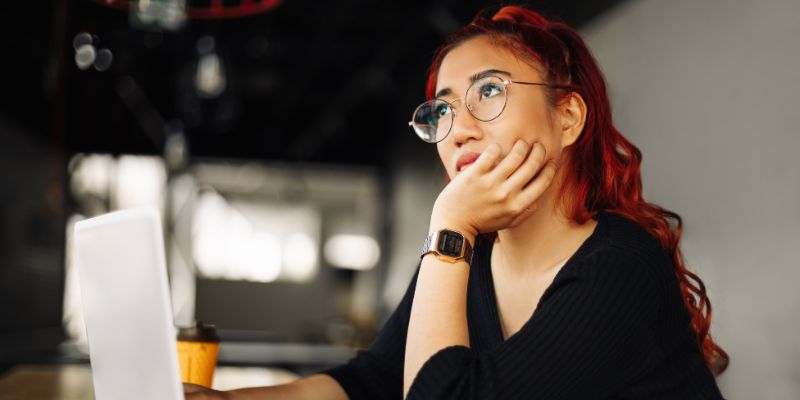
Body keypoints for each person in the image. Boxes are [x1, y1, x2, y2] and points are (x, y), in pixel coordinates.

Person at [185, 5, 728, 399]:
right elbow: (374, 380)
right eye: (442, 111)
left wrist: (449, 225)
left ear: (568, 118)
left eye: (489, 90)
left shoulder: (621, 267)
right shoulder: (470, 259)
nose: (459, 129)